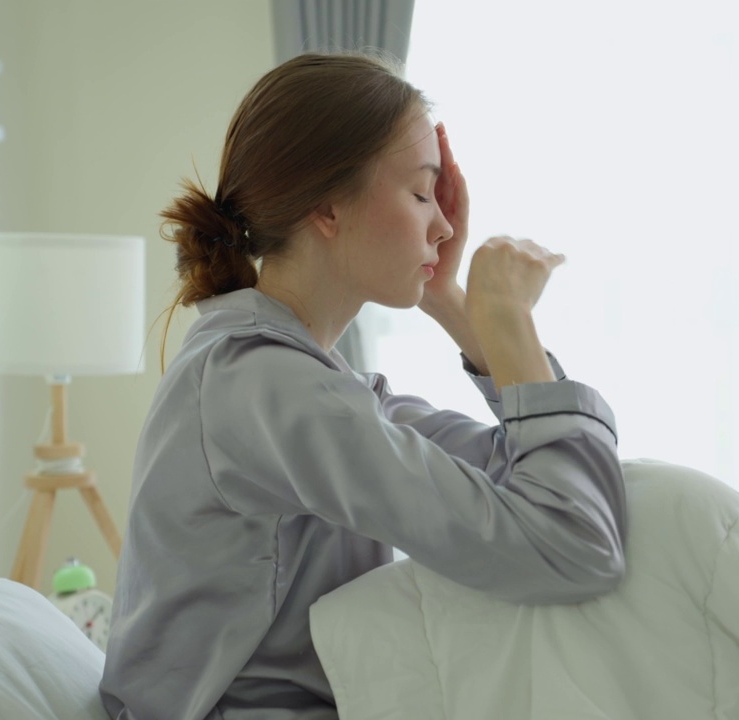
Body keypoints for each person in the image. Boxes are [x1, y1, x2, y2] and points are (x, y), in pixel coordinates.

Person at [98, 52, 628, 720]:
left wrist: (451, 300)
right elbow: (573, 547)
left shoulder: (304, 381)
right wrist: (507, 323)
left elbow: (544, 478)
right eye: (419, 193)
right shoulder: (265, 386)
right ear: (326, 207)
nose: (441, 224)